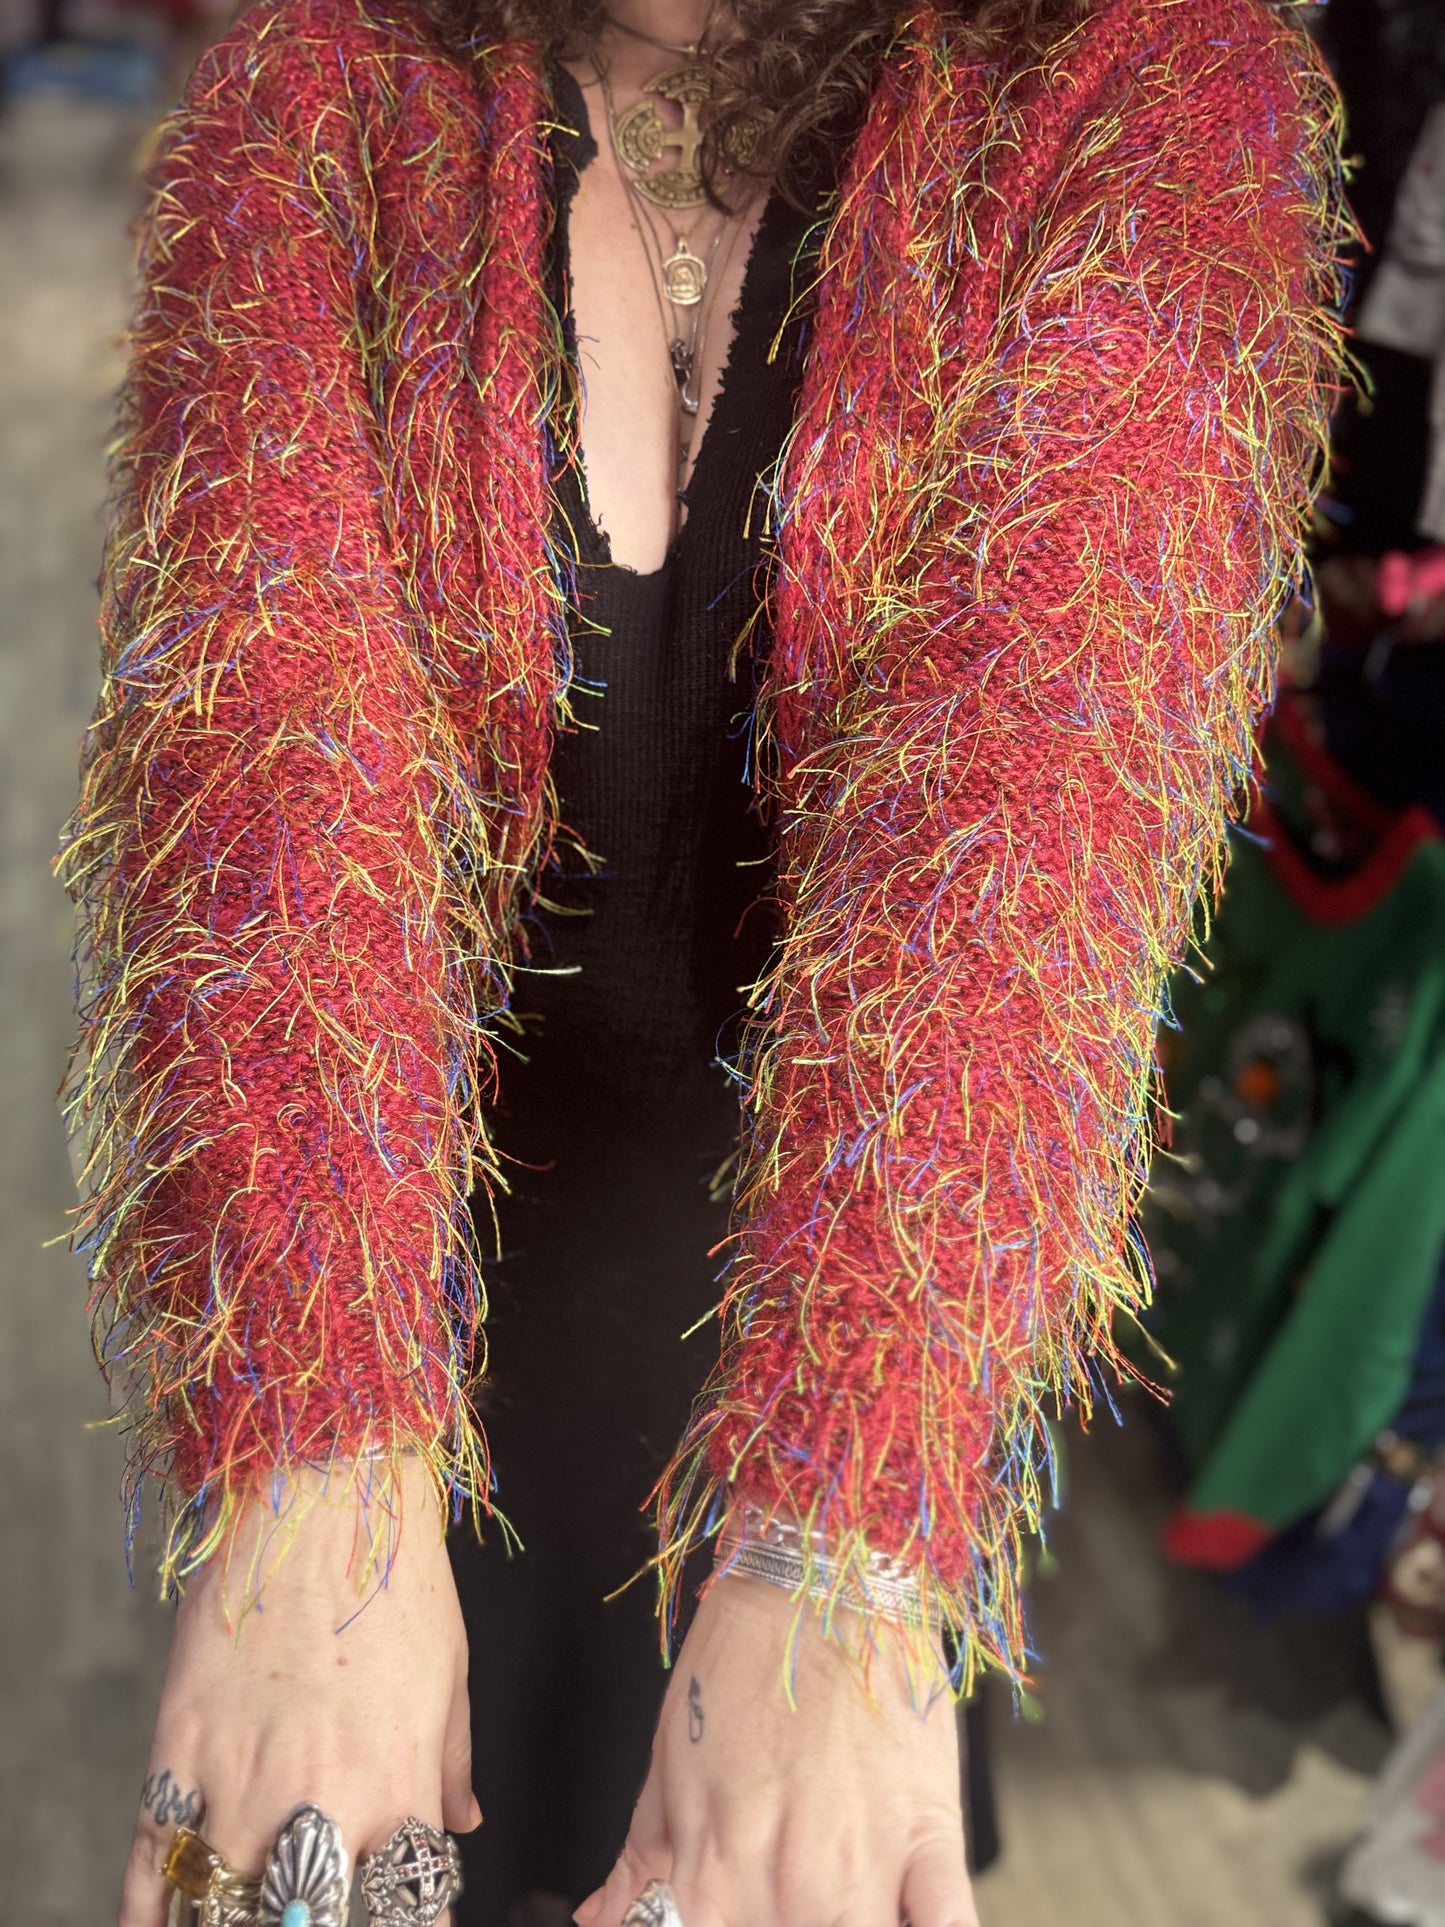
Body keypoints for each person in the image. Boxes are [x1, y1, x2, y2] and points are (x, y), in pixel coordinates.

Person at [54, 0, 1350, 1922]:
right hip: (378, 1297)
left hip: (870, 1335)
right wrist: (316, 1463)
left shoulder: (1146, 82)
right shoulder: (328, 75)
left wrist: (837, 1541)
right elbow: (260, 780)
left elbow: (1024, 839)